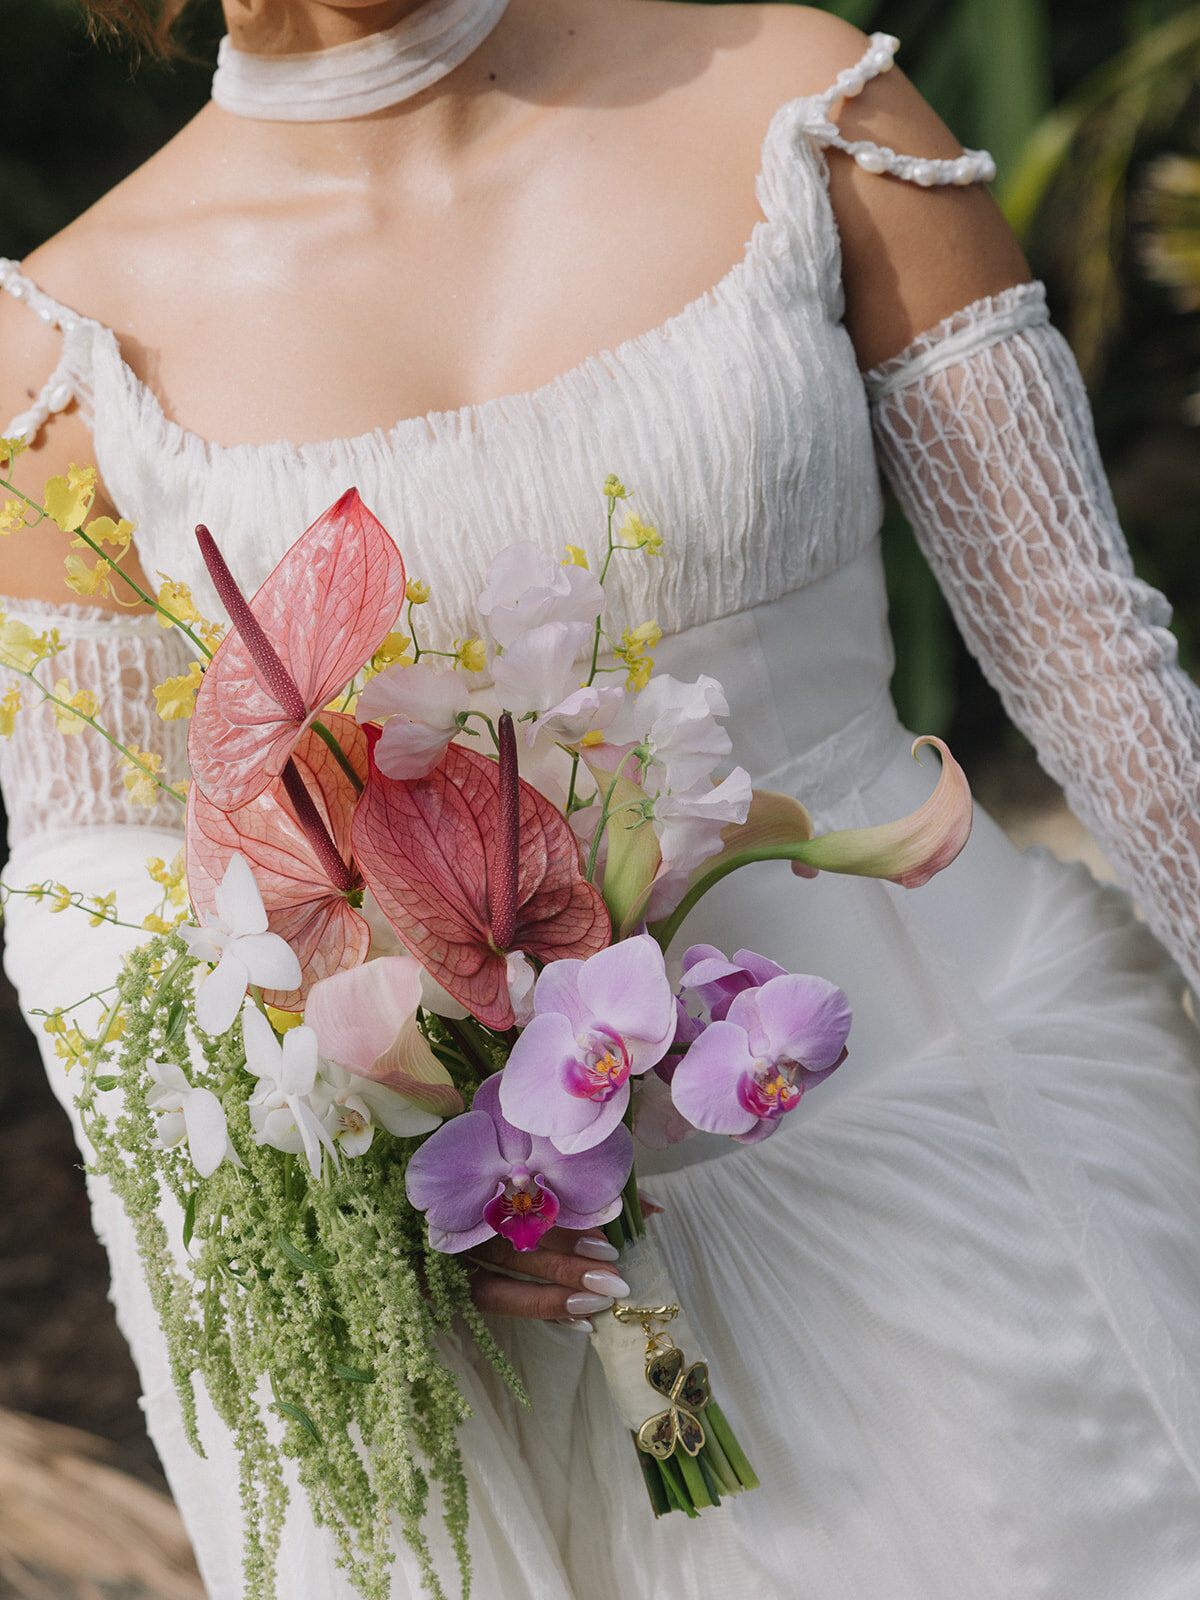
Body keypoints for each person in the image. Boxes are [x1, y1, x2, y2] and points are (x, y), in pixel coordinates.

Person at [3, 1, 1200, 1596]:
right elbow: (103, 905)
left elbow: (1094, 664)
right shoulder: (64, 360)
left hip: (992, 1149)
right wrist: (374, 1195)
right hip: (544, 1306)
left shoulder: (806, 105)